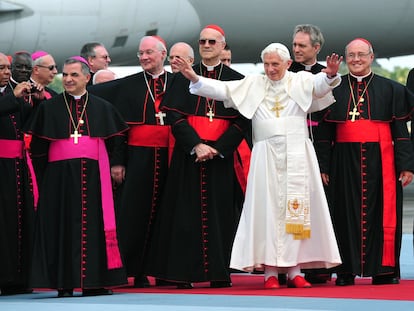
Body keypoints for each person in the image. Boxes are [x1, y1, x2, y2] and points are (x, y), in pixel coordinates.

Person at [175, 42, 343, 289]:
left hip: (297, 152)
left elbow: (319, 86)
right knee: (267, 210)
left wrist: (329, 74)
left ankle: (295, 271)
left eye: (275, 64)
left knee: (295, 210)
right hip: (265, 154)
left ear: (287, 64)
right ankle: (270, 273)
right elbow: (223, 90)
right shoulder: (254, 84)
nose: (271, 69)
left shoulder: (301, 81)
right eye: (266, 64)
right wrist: (193, 76)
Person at [145, 24, 250, 289]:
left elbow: (242, 121)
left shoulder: (237, 78)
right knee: (185, 216)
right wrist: (197, 145)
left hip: (220, 157)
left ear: (222, 46)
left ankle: (219, 272)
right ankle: (184, 274)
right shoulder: (183, 78)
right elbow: (175, 117)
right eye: (202, 41)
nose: (206, 45)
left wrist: (219, 148)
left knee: (221, 215)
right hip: (189, 156)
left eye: (212, 42)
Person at [25, 56, 128, 297]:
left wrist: (116, 164)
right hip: (59, 179)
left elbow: (117, 140)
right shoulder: (49, 108)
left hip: (95, 177)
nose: (68, 79)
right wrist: (45, 178)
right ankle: (64, 283)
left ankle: (95, 282)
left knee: (95, 225)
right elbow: (38, 148)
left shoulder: (102, 107)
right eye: (66, 75)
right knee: (61, 226)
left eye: (74, 75)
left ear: (87, 77)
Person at [314, 38, 414, 286]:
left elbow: (401, 131)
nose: (356, 59)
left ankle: (384, 271)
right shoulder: (333, 90)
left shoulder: (392, 89)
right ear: (346, 59)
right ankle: (345, 271)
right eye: (351, 55)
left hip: (382, 161)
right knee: (343, 214)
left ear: (371, 57)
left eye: (361, 55)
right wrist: (323, 167)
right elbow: (324, 135)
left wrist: (407, 165)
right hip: (343, 162)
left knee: (383, 215)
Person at [89, 35, 173, 288]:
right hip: (137, 160)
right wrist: (118, 162)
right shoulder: (129, 85)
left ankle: (165, 270)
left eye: (149, 53)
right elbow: (120, 131)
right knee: (134, 216)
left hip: (170, 159)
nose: (144, 57)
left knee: (166, 217)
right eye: (140, 54)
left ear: (162, 54)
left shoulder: (177, 83)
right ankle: (134, 270)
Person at [288, 24, 332, 285]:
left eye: (302, 46)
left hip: (316, 150)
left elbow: (328, 125)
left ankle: (316, 266)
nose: (296, 50)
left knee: (316, 210)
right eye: (294, 45)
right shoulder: (284, 72)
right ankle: (290, 266)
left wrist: (325, 165)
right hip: (289, 151)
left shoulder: (326, 75)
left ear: (316, 48)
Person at [0, 53, 37, 296]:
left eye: (6, 68)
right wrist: (13, 98)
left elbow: (28, 123)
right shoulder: (11, 94)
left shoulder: (15, 91)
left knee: (20, 220)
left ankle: (19, 278)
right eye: (1, 68)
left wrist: (38, 101)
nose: (6, 72)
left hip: (17, 165)